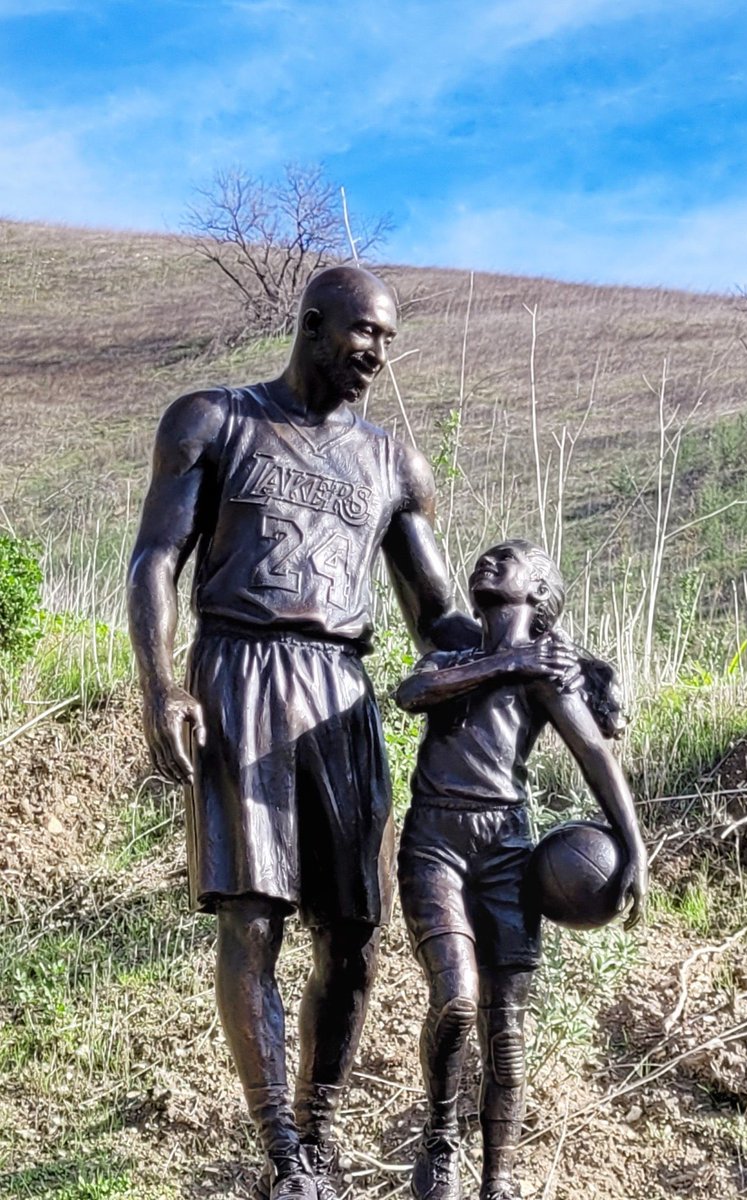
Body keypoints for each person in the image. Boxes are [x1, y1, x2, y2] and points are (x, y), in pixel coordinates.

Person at [127, 268, 576, 1200]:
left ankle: (323, 1131)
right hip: (239, 672)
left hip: (342, 690)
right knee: (255, 918)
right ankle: (286, 1152)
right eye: (362, 332)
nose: (375, 352)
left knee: (357, 931)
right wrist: (161, 683)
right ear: (314, 324)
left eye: (388, 339)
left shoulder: (394, 466)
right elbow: (155, 559)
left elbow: (441, 619)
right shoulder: (213, 420)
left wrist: (542, 651)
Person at [395, 539, 648, 1200]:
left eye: (506, 560)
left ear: (539, 594)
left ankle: (498, 1180)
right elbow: (412, 690)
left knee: (506, 1033)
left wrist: (635, 846)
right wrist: (511, 659)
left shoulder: (548, 672)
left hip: (506, 849)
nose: (487, 562)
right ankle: (440, 1138)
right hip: (435, 843)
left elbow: (594, 753)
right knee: (455, 997)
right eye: (485, 557)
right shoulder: (454, 652)